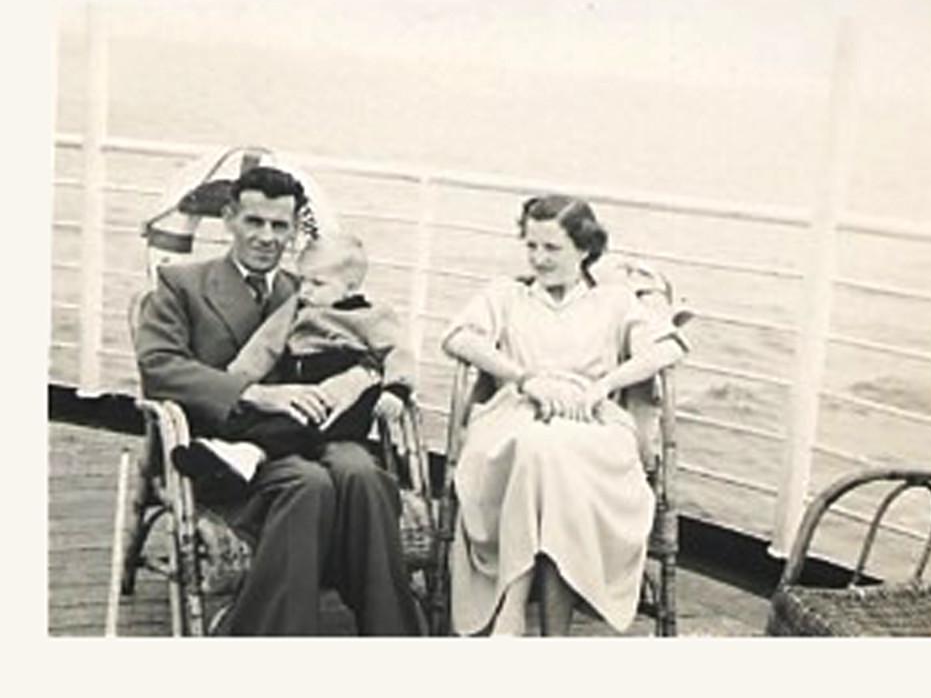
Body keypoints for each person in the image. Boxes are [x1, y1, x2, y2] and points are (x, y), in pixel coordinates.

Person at [135, 165, 422, 636]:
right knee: (308, 483)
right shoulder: (181, 285)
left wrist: (373, 377)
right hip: (228, 447)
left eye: (279, 225)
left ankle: (390, 633)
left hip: (317, 427)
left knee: (363, 474)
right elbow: (160, 367)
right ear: (229, 218)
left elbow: (373, 345)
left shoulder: (310, 286)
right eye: (254, 221)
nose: (266, 237)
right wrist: (256, 393)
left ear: (293, 231)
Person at [441, 194, 685, 636]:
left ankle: (511, 611)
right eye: (531, 246)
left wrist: (603, 386)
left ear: (585, 249)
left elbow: (667, 347)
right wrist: (524, 378)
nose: (538, 258)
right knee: (539, 449)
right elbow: (459, 338)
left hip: (591, 422)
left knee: (551, 455)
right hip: (515, 415)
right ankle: (550, 634)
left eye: (551, 248)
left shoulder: (614, 301)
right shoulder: (508, 295)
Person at [172, 232, 415, 475]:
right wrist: (238, 379)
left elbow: (397, 351)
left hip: (347, 392)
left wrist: (396, 390)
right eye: (303, 281)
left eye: (317, 283)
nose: (306, 291)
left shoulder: (372, 316)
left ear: (350, 288)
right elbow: (266, 343)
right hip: (302, 380)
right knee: (280, 416)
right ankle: (231, 453)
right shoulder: (297, 307)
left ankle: (250, 454)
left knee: (305, 423)